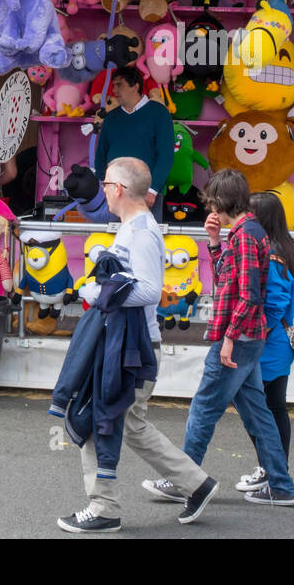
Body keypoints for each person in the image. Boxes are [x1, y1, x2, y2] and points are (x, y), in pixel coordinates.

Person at [57, 156, 219, 534]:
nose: (101, 189)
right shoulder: (136, 227)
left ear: (117, 189)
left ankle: (104, 507)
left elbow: (147, 290)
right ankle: (196, 485)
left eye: (104, 183)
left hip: (132, 348)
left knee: (102, 423)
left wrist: (96, 291)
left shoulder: (141, 231)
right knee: (127, 426)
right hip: (133, 344)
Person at [143, 169, 294, 508]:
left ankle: (183, 480)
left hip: (238, 338)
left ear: (223, 200)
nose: (210, 207)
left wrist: (229, 337)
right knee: (259, 413)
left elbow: (247, 296)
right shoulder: (248, 232)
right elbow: (232, 282)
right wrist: (214, 242)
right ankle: (281, 485)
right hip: (247, 337)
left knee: (203, 410)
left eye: (212, 201)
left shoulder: (244, 235)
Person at [237, 191, 294, 493]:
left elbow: (274, 304)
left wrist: (253, 332)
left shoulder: (272, 253)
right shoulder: (285, 247)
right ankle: (275, 469)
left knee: (262, 411)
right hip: (278, 346)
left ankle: (271, 470)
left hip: (268, 345)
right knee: (275, 408)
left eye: (249, 215)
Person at [94, 65, 175, 220]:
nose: (114, 91)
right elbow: (100, 155)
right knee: (112, 241)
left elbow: (166, 156)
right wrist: (103, 187)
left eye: (119, 85)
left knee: (146, 238)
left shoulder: (159, 113)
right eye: (113, 85)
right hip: (114, 193)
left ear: (135, 86)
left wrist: (153, 189)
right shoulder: (111, 118)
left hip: (146, 193)